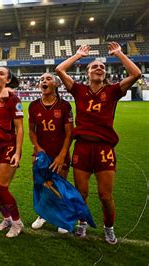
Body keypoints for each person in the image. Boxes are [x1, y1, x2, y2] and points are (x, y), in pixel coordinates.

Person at [55, 42, 141, 244]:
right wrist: (78, 55)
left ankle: (108, 228)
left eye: (102, 67)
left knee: (105, 196)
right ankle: (82, 223)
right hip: (83, 148)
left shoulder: (112, 91)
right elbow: (59, 69)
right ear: (87, 72)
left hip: (104, 149)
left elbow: (136, 74)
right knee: (81, 193)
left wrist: (119, 54)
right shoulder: (78, 90)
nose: (99, 68)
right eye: (94, 66)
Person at [28, 73, 73, 233]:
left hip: (60, 153)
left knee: (59, 186)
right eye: (41, 79)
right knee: (41, 185)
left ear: (56, 84)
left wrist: (62, 155)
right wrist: (37, 147)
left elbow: (69, 134)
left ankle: (61, 217)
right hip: (41, 154)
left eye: (48, 79)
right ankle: (43, 215)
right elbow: (31, 131)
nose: (43, 81)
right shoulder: (33, 106)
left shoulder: (65, 106)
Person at [0, 67, 24, 238]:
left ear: (8, 80)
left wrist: (18, 152)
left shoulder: (13, 98)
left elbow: (20, 128)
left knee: (1, 187)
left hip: (8, 145)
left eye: (1, 73)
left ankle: (17, 222)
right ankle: (6, 218)